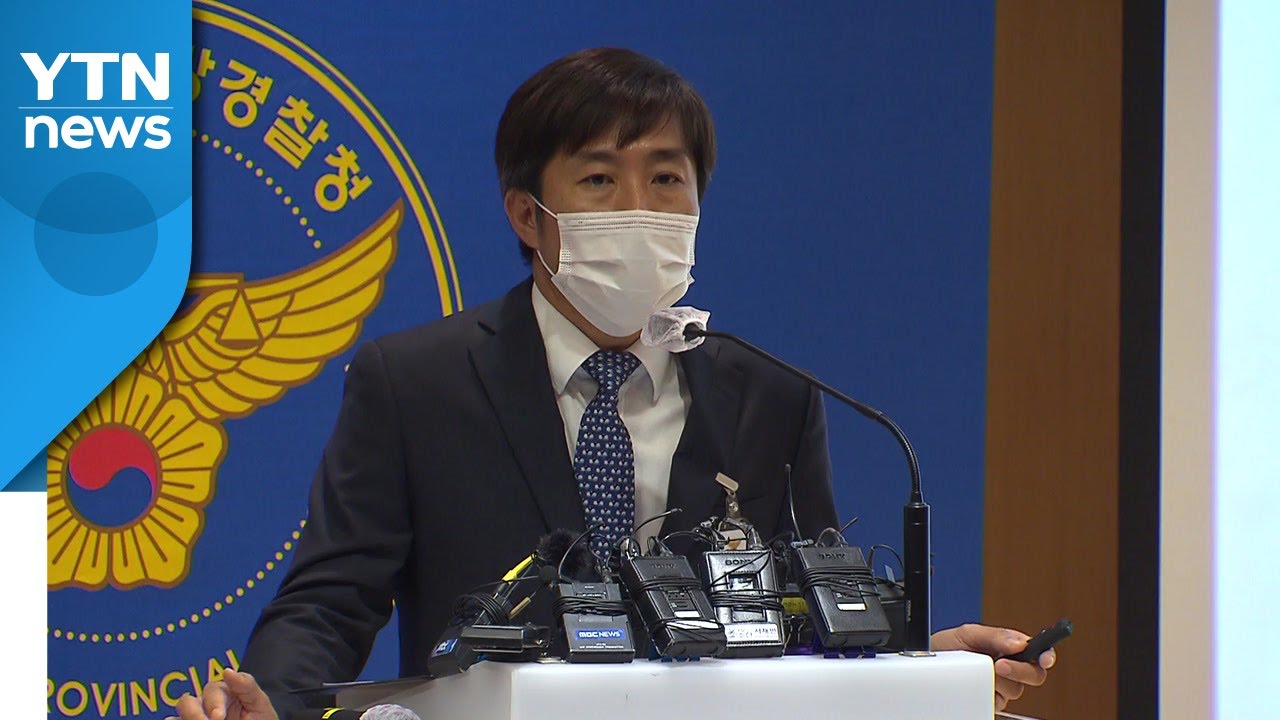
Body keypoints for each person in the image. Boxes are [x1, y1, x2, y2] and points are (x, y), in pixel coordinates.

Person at [170, 48, 1054, 720]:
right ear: (528, 214)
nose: (640, 206)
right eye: (599, 179)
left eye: (666, 178)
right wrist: (269, 700)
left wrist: (929, 670)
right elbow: (331, 602)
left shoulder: (769, 393)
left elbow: (808, 611)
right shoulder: (417, 382)